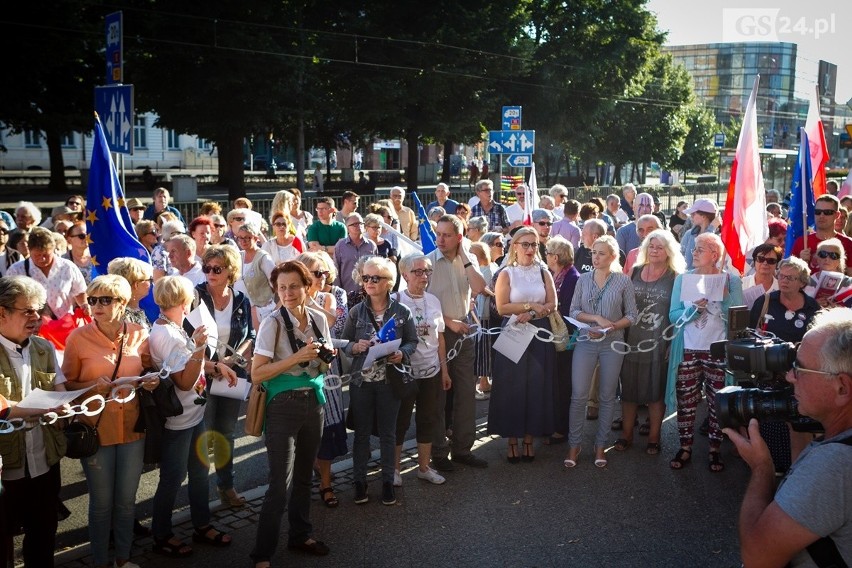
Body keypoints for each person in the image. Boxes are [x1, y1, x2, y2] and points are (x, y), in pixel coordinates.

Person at [723, 307, 852, 568]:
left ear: (842, 387)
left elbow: (757, 558)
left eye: (800, 368)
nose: (790, 377)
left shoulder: (835, 464)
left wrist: (761, 468)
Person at [62, 275, 154, 568]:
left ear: (123, 303)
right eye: (92, 299)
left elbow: (150, 367)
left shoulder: (140, 333)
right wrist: (93, 386)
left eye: (105, 299)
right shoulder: (78, 338)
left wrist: (150, 381)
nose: (96, 306)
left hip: (132, 429)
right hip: (95, 430)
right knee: (101, 505)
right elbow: (67, 387)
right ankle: (101, 562)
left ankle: (123, 559)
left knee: (127, 503)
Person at [249, 261, 333, 566]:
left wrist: (325, 359)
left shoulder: (319, 319)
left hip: (314, 400)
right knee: (279, 484)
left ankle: (301, 536)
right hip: (282, 405)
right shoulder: (271, 323)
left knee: (302, 478)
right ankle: (262, 553)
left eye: (294, 286)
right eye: (282, 287)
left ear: (307, 287)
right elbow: (257, 374)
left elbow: (323, 364)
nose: (288, 293)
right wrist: (297, 357)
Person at [148, 275, 236, 557]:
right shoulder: (167, 334)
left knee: (199, 473)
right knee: (172, 479)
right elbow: (184, 381)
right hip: (179, 420)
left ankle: (202, 524)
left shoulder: (170, 327)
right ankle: (161, 534)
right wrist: (199, 347)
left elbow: (189, 366)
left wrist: (215, 367)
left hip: (193, 415)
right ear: (184, 301)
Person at [0, 276, 67, 567]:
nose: (37, 317)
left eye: (38, 309)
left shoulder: (43, 347)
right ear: (2, 312)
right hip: (6, 466)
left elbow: (60, 392)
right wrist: (37, 410)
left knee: (43, 532)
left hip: (44, 459)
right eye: (28, 310)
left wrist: (66, 406)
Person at [341, 256, 418, 504]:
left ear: (389, 282)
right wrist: (355, 346)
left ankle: (387, 482)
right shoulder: (356, 312)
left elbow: (412, 341)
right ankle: (360, 482)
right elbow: (345, 344)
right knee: (361, 434)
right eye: (366, 278)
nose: (370, 282)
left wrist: (401, 353)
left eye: (376, 278)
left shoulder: (402, 311)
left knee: (388, 433)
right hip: (361, 382)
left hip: (390, 381)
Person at [667, 232, 744, 473]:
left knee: (717, 402)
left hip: (718, 351)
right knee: (687, 400)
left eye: (700, 249)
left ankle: (714, 448)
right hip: (688, 349)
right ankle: (685, 445)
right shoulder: (683, 279)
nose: (694, 252)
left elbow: (738, 319)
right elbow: (673, 315)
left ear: (715, 254)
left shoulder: (731, 279)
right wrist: (693, 312)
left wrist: (725, 297)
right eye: (695, 249)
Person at [565, 235, 638, 469]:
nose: (595, 257)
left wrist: (612, 326)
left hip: (613, 344)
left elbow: (633, 315)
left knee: (607, 396)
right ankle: (574, 445)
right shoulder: (583, 279)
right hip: (585, 341)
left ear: (613, 256)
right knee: (578, 396)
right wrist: (596, 318)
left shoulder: (623, 281)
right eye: (594, 252)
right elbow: (574, 310)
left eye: (601, 253)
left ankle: (600, 446)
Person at [193, 245, 255, 510]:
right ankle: (198, 497)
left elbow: (249, 335)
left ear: (230, 271)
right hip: (203, 374)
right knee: (203, 435)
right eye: (207, 268)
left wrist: (234, 358)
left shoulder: (241, 299)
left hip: (231, 374)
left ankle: (226, 487)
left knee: (226, 433)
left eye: (216, 269)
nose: (210, 273)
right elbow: (186, 338)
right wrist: (213, 365)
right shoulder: (196, 296)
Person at [489, 226, 558, 463]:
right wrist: (529, 307)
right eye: (525, 244)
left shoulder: (544, 272)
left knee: (537, 387)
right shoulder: (506, 273)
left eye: (534, 245)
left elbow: (552, 304)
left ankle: (529, 439)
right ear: (515, 246)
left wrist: (536, 312)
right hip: (514, 332)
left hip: (540, 334)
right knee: (512, 388)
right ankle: (512, 441)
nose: (530, 249)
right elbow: (502, 307)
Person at [426, 215, 489, 471]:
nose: (440, 239)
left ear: (459, 238)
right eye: (438, 234)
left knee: (465, 393)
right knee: (439, 395)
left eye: (447, 235)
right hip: (437, 335)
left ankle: (462, 449)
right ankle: (439, 453)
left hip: (464, 333)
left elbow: (480, 286)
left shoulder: (468, 260)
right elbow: (418, 303)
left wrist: (464, 257)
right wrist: (448, 321)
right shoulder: (427, 262)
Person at [749, 257, 820, 472]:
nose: (784, 281)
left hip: (798, 375)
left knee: (797, 422)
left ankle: (796, 470)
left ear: (802, 282)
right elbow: (750, 333)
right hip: (767, 374)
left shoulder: (811, 307)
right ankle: (768, 468)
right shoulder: (766, 301)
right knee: (769, 422)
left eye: (791, 278)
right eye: (782, 276)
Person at [617, 229, 684, 455]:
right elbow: (622, 305)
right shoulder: (634, 272)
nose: (655, 250)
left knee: (655, 392)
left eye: (660, 247)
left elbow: (678, 312)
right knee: (629, 392)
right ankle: (626, 436)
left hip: (658, 343)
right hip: (631, 341)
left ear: (669, 251)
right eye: (651, 246)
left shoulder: (676, 276)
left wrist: (672, 342)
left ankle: (654, 438)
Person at [393, 254, 450, 486]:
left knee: (428, 420)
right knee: (400, 421)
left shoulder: (434, 300)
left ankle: (424, 467)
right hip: (404, 373)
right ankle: (395, 470)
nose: (423, 276)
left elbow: (440, 337)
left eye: (427, 271)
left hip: (432, 372)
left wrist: (444, 370)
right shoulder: (395, 300)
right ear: (405, 275)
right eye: (418, 271)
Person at [295, 252, 346, 508]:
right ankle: (299, 484)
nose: (322, 277)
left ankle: (326, 483)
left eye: (324, 272)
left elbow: (331, 322)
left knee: (326, 428)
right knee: (300, 429)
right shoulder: (288, 299)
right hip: (297, 372)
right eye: (316, 273)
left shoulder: (327, 297)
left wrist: (307, 300)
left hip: (326, 371)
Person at [7, 227, 90, 319]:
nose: (42, 259)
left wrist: (84, 305)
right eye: (37, 255)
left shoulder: (67, 267)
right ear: (29, 251)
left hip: (64, 325)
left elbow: (80, 292)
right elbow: (8, 300)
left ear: (53, 249)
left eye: (46, 255)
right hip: (30, 327)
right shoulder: (16, 271)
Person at [543, 236, 580, 445]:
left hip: (566, 340)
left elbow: (568, 311)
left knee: (563, 385)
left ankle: (561, 428)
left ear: (555, 257)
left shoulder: (572, 278)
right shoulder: (558, 275)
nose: (545, 257)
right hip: (556, 338)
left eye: (547, 253)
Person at [791, 194, 852, 274]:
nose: (821, 216)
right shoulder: (801, 242)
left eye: (827, 212)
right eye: (818, 212)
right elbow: (790, 276)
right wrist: (799, 262)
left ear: (837, 215)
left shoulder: (848, 243)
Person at [235, 223, 277, 329]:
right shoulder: (238, 256)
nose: (243, 241)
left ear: (256, 238)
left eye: (247, 238)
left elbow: (276, 284)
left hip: (263, 311)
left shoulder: (264, 258)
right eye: (240, 238)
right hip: (242, 311)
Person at [470, 241, 496, 399]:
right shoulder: (486, 269)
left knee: (481, 353)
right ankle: (479, 384)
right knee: (480, 353)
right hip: (479, 316)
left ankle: (481, 384)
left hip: (483, 316)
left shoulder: (485, 270)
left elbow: (484, 291)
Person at [334, 212, 378, 295]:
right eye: (355, 224)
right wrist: (339, 292)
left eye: (361, 223)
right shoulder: (340, 245)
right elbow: (336, 269)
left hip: (368, 292)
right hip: (347, 292)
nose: (359, 226)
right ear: (347, 228)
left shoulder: (371, 245)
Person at [108, 257, 154, 328]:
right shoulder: (122, 316)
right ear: (136, 284)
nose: (151, 283)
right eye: (150, 279)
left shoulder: (132, 309)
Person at [741, 244, 781, 309]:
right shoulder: (741, 284)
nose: (765, 263)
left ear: (777, 265)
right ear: (754, 261)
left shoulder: (781, 288)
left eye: (771, 260)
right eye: (761, 259)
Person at [63, 220, 95, 284]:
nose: (86, 238)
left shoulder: (98, 256)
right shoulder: (63, 260)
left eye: (88, 235)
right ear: (69, 240)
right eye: (82, 236)